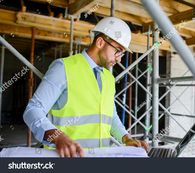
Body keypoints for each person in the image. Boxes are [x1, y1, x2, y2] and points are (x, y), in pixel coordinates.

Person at [23, 17, 148, 158]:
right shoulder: (64, 67)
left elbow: (110, 116)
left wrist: (126, 138)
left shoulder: (108, 78)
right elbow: (33, 110)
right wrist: (57, 137)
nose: (119, 59)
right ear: (100, 42)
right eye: (118, 50)